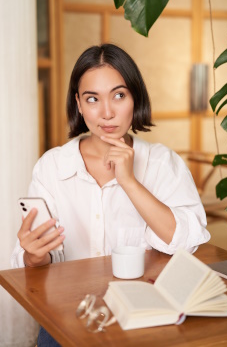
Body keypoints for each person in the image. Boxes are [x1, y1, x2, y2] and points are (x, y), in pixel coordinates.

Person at [11, 43, 210, 345]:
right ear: (78, 103)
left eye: (119, 95)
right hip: (67, 317)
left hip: (146, 319)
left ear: (135, 97)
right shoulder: (52, 167)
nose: (107, 112)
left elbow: (186, 241)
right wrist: (34, 255)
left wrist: (129, 182)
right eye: (92, 99)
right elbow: (32, 265)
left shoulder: (162, 163)